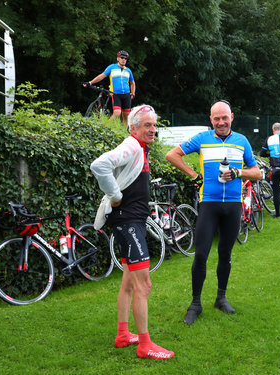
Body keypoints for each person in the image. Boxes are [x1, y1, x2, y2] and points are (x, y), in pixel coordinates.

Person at [165, 100, 262, 325]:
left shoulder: (242, 141)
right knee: (201, 254)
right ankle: (195, 304)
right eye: (216, 118)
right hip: (208, 203)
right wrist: (193, 174)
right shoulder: (202, 139)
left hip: (233, 205)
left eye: (224, 117)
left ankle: (221, 298)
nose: (220, 122)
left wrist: (238, 173)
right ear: (211, 119)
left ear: (232, 117)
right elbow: (172, 155)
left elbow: (257, 173)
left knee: (225, 255)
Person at [90, 104, 174, 360]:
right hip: (128, 222)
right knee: (143, 284)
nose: (152, 129)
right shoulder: (132, 145)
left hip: (131, 220)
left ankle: (123, 334)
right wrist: (114, 196)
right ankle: (145, 345)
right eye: (147, 125)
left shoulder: (141, 148)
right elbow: (99, 165)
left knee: (128, 283)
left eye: (154, 125)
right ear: (133, 127)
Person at [84, 50, 135, 125]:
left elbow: (132, 83)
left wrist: (133, 93)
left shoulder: (128, 70)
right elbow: (101, 76)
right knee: (117, 113)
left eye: (126, 58)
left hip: (126, 95)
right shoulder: (112, 67)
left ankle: (123, 134)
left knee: (126, 116)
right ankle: (105, 127)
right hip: (115, 94)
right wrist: (90, 82)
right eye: (122, 58)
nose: (124, 60)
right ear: (118, 58)